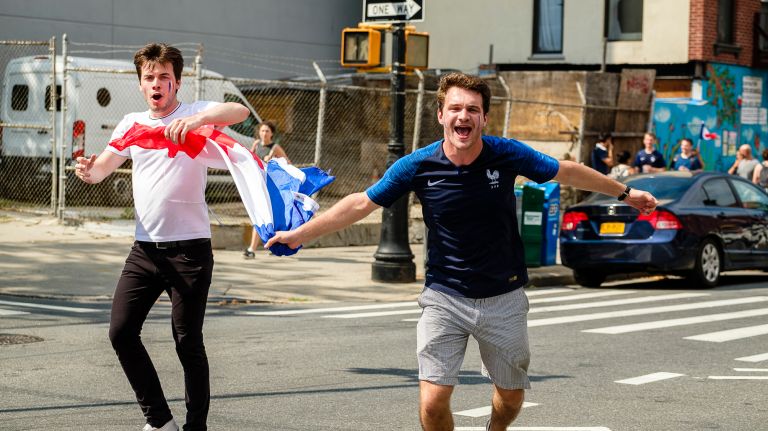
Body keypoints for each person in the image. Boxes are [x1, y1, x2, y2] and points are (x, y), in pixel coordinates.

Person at [265, 72, 657, 431]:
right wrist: (299, 235)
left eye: (472, 109)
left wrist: (626, 193)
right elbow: (360, 203)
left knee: (510, 397)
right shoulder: (418, 165)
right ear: (441, 115)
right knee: (433, 402)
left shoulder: (506, 153)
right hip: (444, 295)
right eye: (455, 108)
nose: (463, 116)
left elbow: (565, 170)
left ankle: (495, 429)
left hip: (503, 294)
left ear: (484, 118)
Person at [74, 43, 249, 431]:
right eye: (149, 77)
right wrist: (88, 170)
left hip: (190, 251)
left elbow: (240, 112)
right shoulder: (131, 124)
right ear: (140, 84)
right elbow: (102, 169)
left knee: (187, 343)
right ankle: (159, 421)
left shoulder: (194, 114)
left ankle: (195, 428)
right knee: (121, 333)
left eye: (164, 77)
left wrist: (199, 119)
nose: (156, 83)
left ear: (177, 82)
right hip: (145, 250)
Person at [244, 120, 290, 258]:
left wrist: (273, 161)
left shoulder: (275, 147)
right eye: (262, 130)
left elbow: (288, 163)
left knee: (266, 216)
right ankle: (257, 248)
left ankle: (255, 249)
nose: (264, 133)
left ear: (272, 134)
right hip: (258, 185)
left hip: (271, 187)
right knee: (261, 215)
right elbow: (249, 159)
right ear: (259, 132)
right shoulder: (256, 144)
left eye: (267, 131)